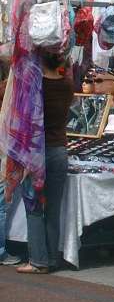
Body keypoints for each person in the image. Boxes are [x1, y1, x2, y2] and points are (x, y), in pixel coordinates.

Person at [16, 50, 74, 274]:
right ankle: (51, 258)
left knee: (33, 207)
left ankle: (38, 261)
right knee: (53, 209)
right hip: (59, 150)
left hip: (35, 151)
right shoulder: (67, 85)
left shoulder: (35, 86)